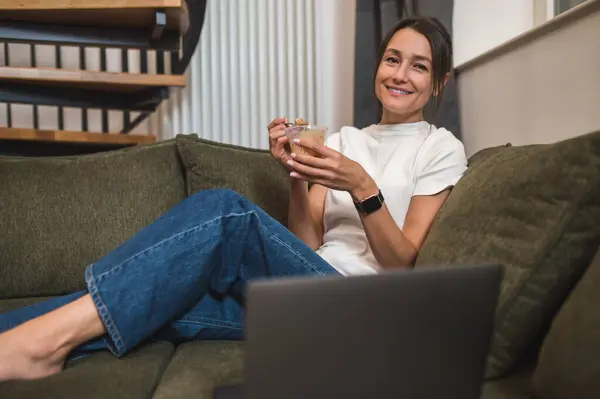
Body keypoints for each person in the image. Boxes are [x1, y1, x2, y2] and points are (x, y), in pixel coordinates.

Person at [0, 16, 467, 381]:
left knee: (226, 211)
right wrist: (295, 175)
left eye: (419, 66)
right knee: (162, 296)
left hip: (361, 307)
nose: (400, 74)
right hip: (305, 295)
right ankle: (23, 345)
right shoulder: (343, 141)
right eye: (392, 59)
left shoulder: (439, 148)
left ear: (439, 82)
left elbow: (402, 264)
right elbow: (305, 248)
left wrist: (364, 188)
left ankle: (35, 346)